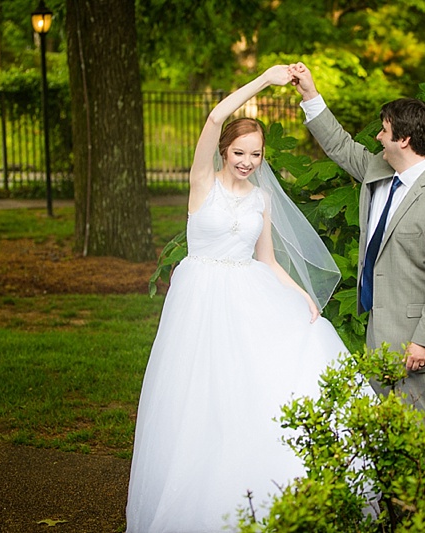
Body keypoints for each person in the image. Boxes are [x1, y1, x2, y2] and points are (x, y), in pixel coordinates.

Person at [125, 66, 349, 532]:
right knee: (197, 396)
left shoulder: (261, 200)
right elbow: (211, 119)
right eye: (239, 152)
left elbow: (267, 260)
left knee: (254, 390)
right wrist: (265, 82)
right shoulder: (201, 185)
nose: (247, 161)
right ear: (224, 151)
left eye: (255, 154)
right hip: (200, 302)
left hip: (250, 297)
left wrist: (302, 297)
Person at [288, 62, 425, 417]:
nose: (377, 137)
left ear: (404, 139)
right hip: (379, 335)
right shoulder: (380, 170)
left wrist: (424, 341)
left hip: (421, 348)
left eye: (384, 131)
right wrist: (309, 93)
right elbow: (341, 146)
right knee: (384, 439)